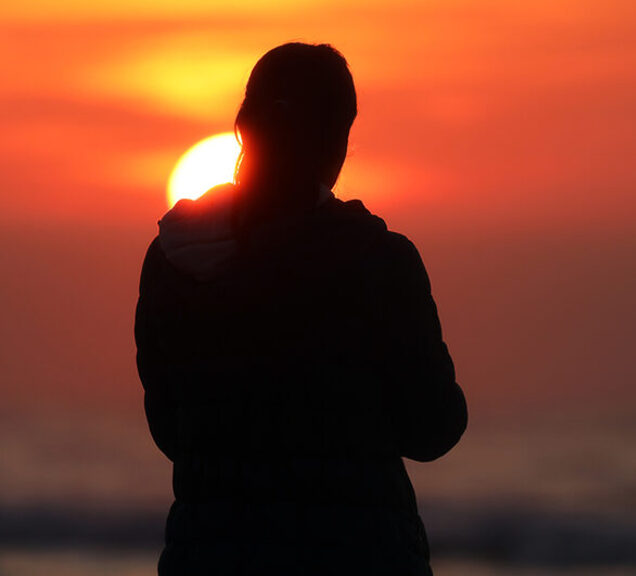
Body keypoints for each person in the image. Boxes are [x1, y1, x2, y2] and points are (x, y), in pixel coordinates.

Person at [134, 42, 467, 575]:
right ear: (338, 140)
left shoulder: (173, 257)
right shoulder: (376, 260)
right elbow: (432, 428)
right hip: (361, 555)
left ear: (248, 125)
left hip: (209, 556)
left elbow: (170, 429)